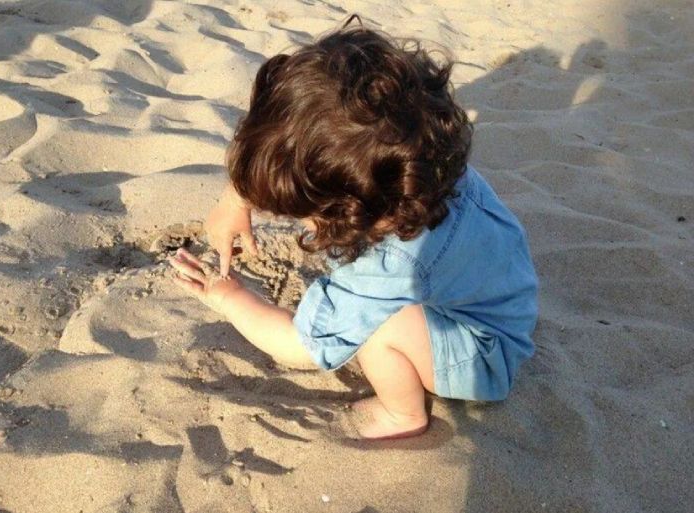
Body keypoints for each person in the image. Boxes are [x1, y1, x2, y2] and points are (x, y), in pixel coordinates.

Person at [169, 18, 538, 440]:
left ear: (351, 212)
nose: (295, 218)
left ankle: (403, 415)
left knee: (381, 327)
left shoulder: (392, 265)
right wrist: (235, 198)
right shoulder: (420, 164)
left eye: (303, 212)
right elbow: (290, 145)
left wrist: (230, 299)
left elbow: (302, 346)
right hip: (508, 295)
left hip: (484, 354)